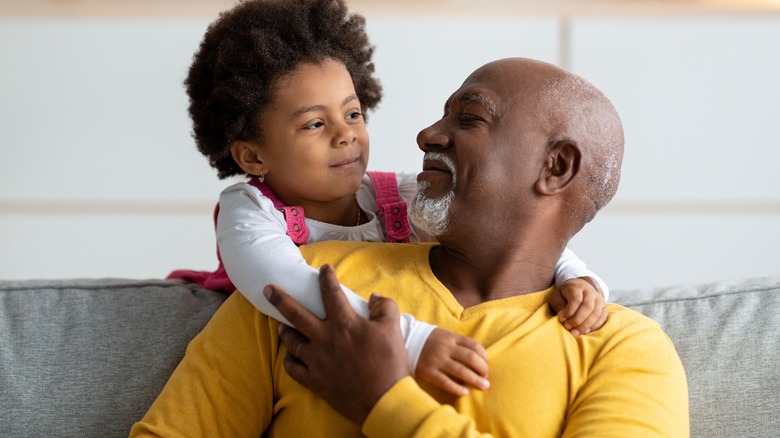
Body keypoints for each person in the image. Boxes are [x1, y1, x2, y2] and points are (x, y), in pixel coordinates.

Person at [131, 57, 689, 436]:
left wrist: (383, 400)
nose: (426, 134)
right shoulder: (308, 284)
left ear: (556, 167)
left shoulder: (623, 347)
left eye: (469, 118)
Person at [167, 0, 610, 395]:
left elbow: (506, 225)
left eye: (353, 113)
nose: (347, 136)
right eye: (314, 125)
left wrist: (577, 278)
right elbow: (286, 285)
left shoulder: (393, 195)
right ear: (253, 155)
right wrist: (411, 341)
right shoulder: (248, 212)